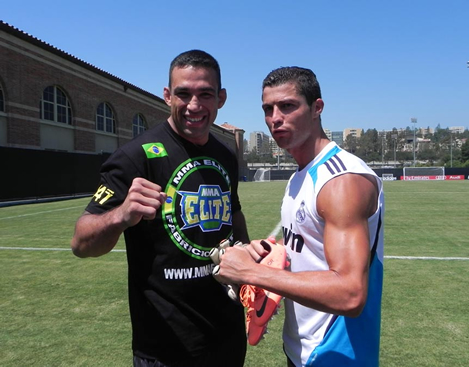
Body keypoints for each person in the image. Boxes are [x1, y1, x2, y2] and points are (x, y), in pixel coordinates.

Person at [71, 49, 250, 367]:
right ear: (167, 96)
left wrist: (248, 258)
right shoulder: (134, 157)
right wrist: (122, 214)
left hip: (228, 338)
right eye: (183, 94)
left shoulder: (225, 156)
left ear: (220, 98)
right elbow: (81, 243)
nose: (194, 105)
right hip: (166, 349)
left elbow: (233, 212)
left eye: (205, 94)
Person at [214, 67, 384, 367]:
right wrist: (267, 255)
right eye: (268, 109)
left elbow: (350, 294)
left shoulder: (341, 181)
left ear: (317, 108)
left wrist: (250, 274)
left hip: (337, 357)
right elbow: (310, 251)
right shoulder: (300, 176)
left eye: (287, 106)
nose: (275, 118)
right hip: (301, 351)